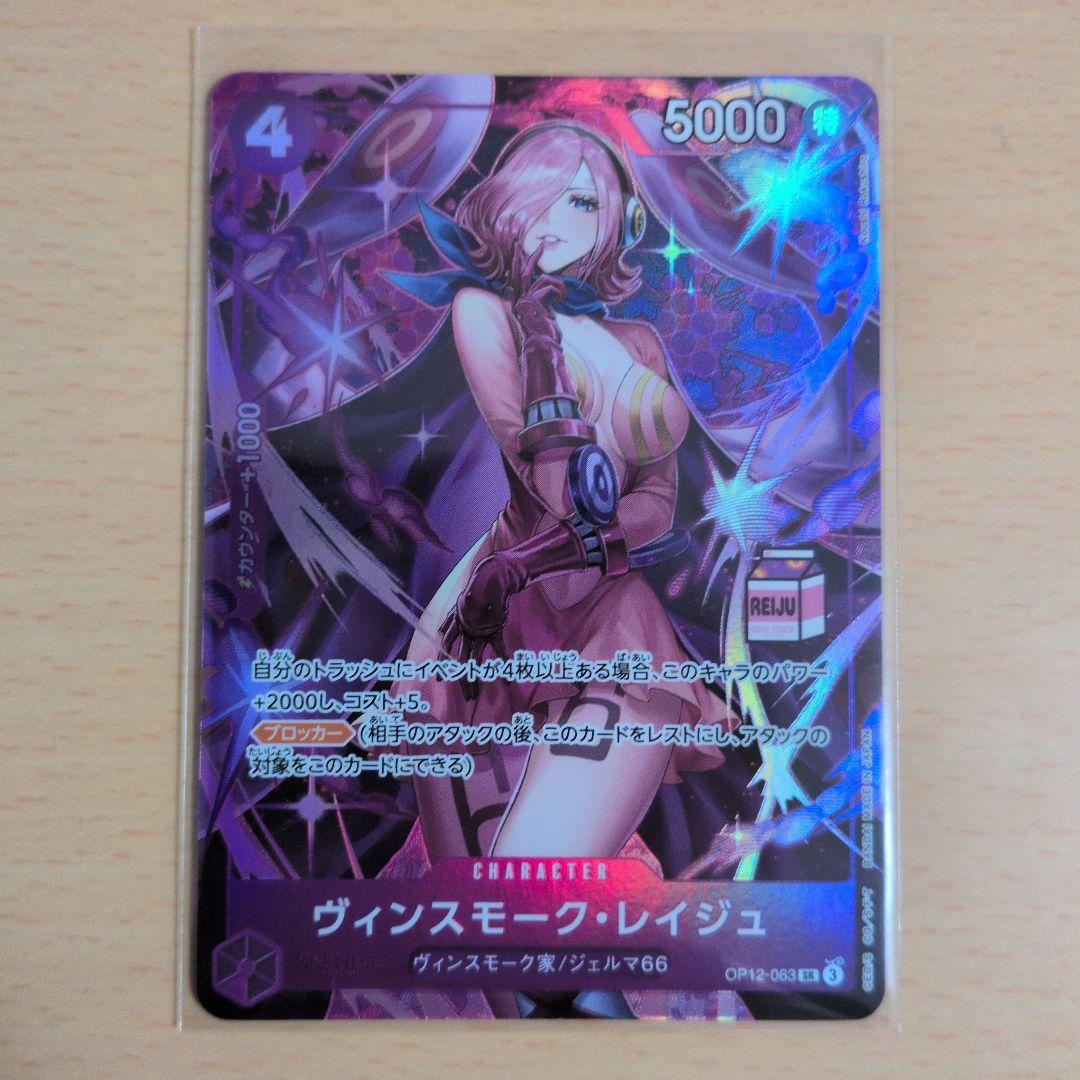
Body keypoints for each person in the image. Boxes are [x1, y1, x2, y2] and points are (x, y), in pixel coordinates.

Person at [388, 122, 732, 864]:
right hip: (484, 622)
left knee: (532, 880)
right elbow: (547, 479)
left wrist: (572, 548)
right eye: (536, 198)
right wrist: (540, 340)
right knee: (473, 908)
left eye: (579, 203)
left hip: (608, 618)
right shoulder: (483, 311)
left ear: (617, 224)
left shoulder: (638, 344)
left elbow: (655, 504)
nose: (551, 222)